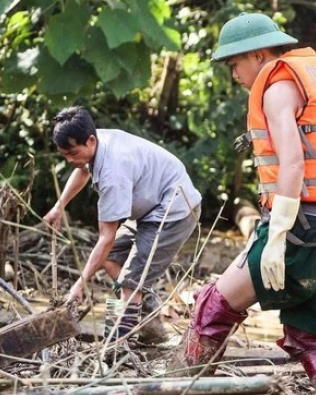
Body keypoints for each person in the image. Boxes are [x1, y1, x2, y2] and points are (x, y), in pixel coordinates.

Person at [168, 13, 316, 395]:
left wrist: (277, 236)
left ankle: (176, 387)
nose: (234, 73)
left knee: (212, 306)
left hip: (297, 224)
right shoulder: (311, 78)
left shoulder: (276, 89)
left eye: (235, 63)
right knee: (309, 336)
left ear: (259, 54)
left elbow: (294, 163)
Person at [43, 106, 202, 346]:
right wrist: (59, 205)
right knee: (112, 259)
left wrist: (80, 284)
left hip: (174, 211)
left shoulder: (112, 174)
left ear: (91, 140)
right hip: (151, 208)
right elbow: (83, 170)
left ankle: (115, 347)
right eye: (64, 154)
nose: (69, 160)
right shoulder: (96, 144)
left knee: (129, 283)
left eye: (72, 153)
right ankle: (151, 326)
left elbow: (105, 238)